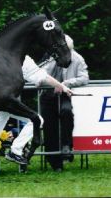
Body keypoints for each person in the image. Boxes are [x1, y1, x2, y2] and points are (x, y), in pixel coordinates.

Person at [0, 30, 73, 181]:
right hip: (5, 102)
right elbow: (40, 76)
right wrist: (62, 86)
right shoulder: (11, 56)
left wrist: (60, 85)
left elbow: (40, 76)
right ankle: (16, 149)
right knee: (37, 120)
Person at [40, 34, 89, 171]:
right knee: (50, 127)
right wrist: (51, 81)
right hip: (48, 95)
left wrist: (65, 84)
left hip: (66, 95)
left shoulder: (78, 59)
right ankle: (55, 162)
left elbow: (84, 78)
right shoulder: (49, 56)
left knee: (66, 112)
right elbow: (40, 73)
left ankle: (67, 146)